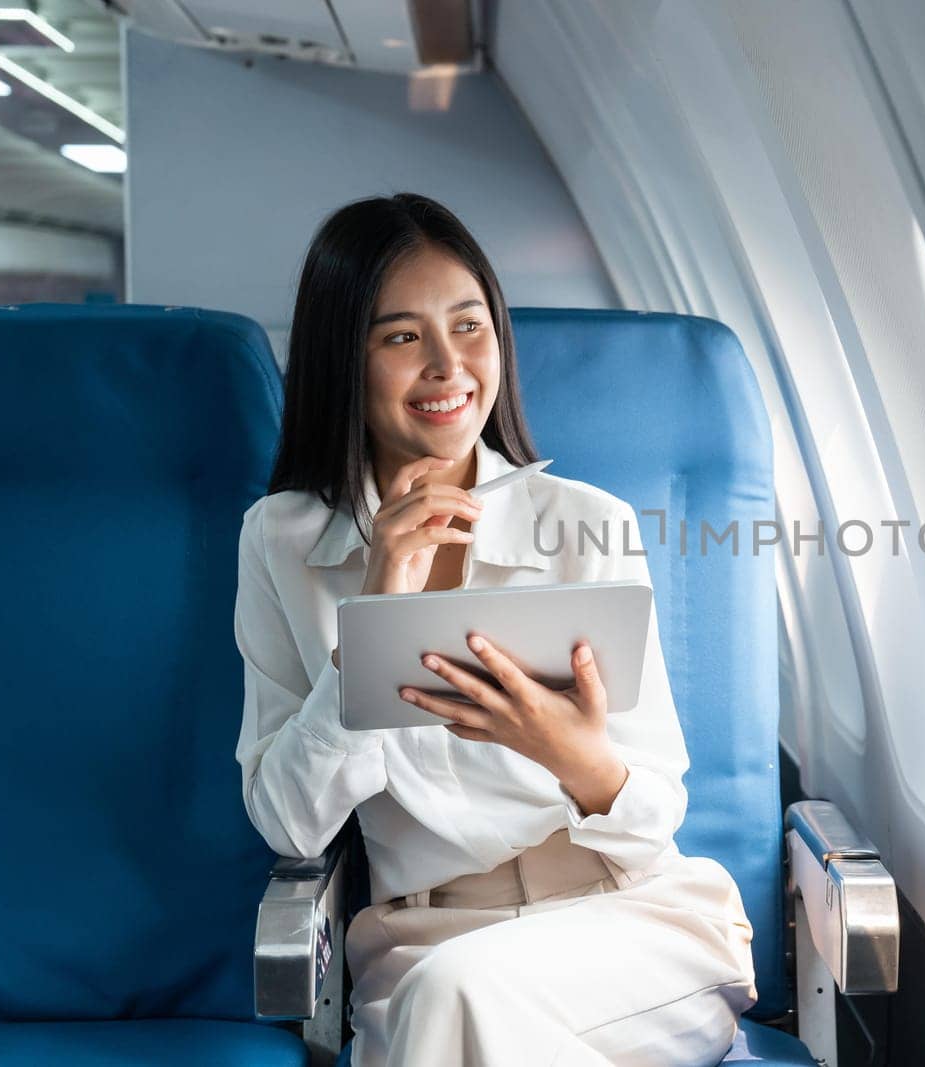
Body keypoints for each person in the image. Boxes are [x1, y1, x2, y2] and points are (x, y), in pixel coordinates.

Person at [232, 193, 758, 1066]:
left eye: (469, 327)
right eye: (402, 337)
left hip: (632, 929)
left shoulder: (589, 523)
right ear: (344, 360)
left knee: (459, 1008)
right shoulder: (280, 541)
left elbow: (655, 811)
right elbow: (289, 823)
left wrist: (570, 753)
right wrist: (376, 607)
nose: (449, 366)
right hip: (423, 944)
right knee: (458, 996)